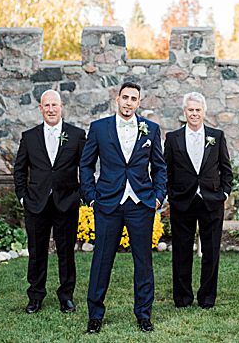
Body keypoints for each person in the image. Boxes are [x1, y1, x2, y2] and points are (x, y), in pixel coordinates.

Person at [79, 81, 165, 334]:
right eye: (125, 97)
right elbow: (86, 165)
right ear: (117, 99)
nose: (128, 102)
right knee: (101, 260)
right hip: (107, 203)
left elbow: (160, 167)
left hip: (141, 205)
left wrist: (158, 196)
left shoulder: (150, 129)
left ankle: (143, 314)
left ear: (139, 102)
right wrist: (92, 197)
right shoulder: (99, 128)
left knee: (144, 262)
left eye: (134, 99)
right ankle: (95, 315)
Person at [12, 89, 87, 315]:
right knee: (37, 252)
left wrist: (80, 195)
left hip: (67, 202)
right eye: (47, 105)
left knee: (66, 253)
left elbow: (86, 167)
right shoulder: (29, 136)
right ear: (41, 109)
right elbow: (19, 169)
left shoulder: (76, 135)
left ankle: (66, 296)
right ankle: (35, 296)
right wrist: (23, 196)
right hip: (36, 203)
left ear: (61, 106)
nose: (51, 109)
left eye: (54, 105)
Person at [163, 91, 232, 309]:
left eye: (198, 110)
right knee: (181, 251)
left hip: (211, 201)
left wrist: (225, 193)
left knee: (211, 251)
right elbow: (166, 170)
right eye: (190, 110)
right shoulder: (172, 138)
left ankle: (207, 297)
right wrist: (170, 195)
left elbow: (226, 170)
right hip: (182, 202)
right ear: (185, 112)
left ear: (204, 112)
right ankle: (182, 298)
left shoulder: (217, 136)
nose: (194, 114)